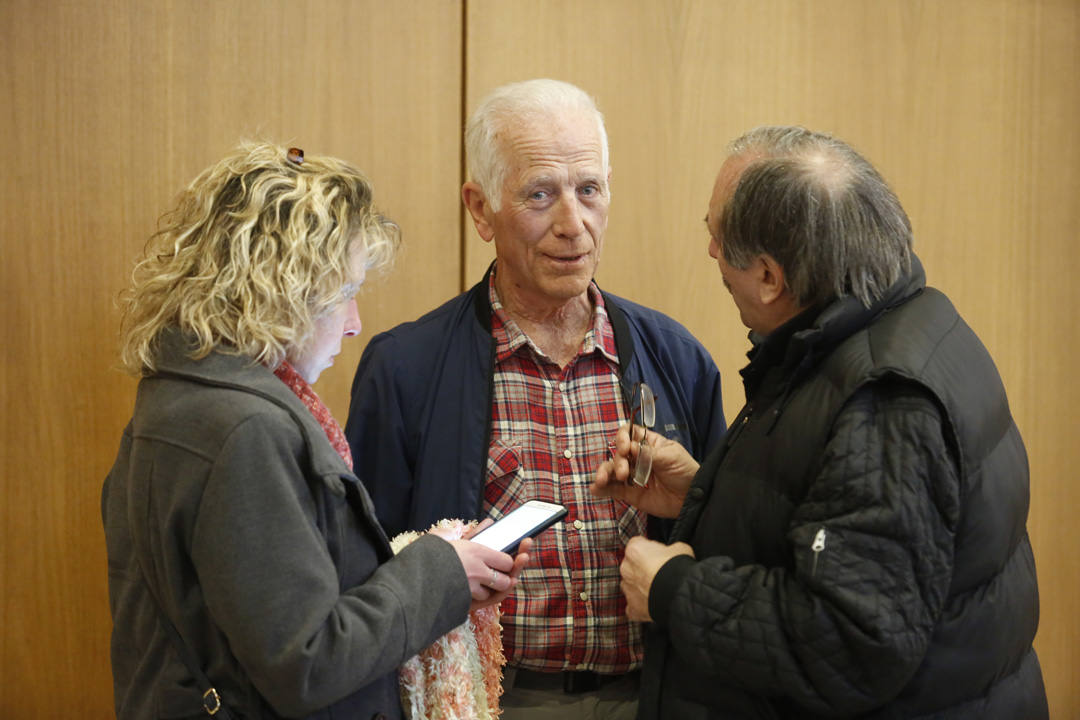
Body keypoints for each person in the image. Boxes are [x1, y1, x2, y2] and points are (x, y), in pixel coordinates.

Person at [592, 125, 1048, 718]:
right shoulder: (892, 327)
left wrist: (675, 592)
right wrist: (703, 498)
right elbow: (844, 530)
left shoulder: (885, 402)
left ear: (769, 277)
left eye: (717, 237)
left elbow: (849, 642)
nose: (710, 255)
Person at [102, 141, 531, 720]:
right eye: (346, 294)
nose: (355, 325)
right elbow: (307, 661)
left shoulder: (178, 395)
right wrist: (439, 570)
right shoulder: (246, 431)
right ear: (280, 290)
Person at [344, 79, 726, 718]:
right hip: (493, 700)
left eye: (589, 190)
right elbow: (368, 580)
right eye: (540, 194)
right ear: (480, 206)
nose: (572, 226)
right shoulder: (405, 368)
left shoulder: (677, 356)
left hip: (655, 695)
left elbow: (732, 543)